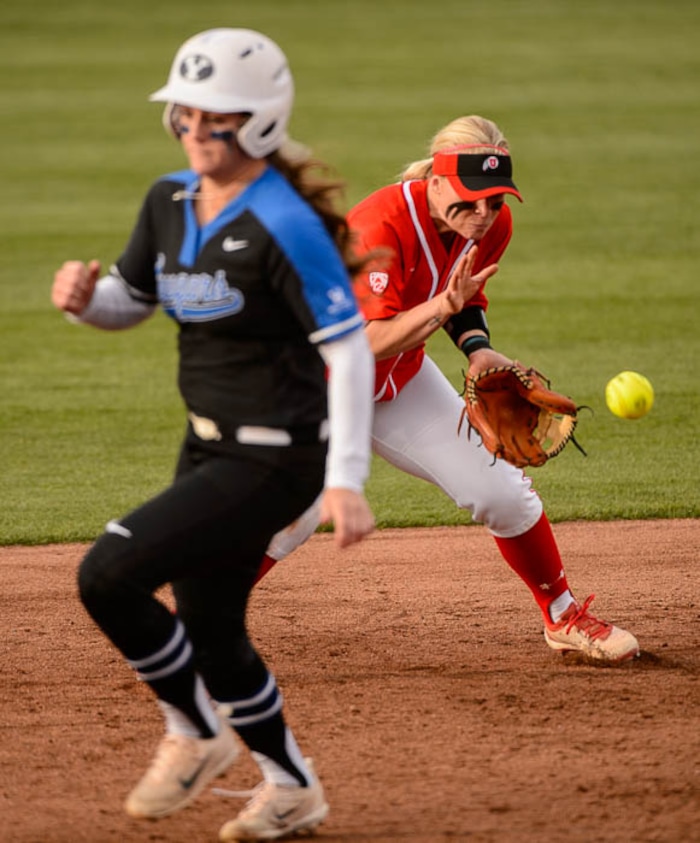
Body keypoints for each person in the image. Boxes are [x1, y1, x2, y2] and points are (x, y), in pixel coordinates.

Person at [51, 27, 377, 842]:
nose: (195, 131)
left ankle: (196, 728)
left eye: (215, 118)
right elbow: (132, 298)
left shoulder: (285, 224)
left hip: (278, 459)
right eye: (184, 115)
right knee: (213, 626)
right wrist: (85, 301)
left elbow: (348, 355)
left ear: (261, 122)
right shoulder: (167, 201)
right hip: (208, 446)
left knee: (108, 573)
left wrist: (347, 478)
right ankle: (292, 786)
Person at [256, 114, 640, 665]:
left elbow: (464, 297)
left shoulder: (491, 224)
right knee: (290, 517)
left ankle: (563, 615)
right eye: (469, 200)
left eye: (495, 200)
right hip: (312, 389)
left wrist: (478, 348)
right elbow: (362, 343)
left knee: (502, 492)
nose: (483, 215)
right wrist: (442, 308)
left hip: (400, 380)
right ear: (436, 183)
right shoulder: (379, 226)